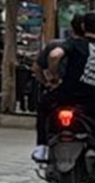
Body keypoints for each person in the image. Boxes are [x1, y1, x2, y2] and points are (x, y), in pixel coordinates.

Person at [41, 12, 95, 174]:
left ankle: (41, 147)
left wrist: (53, 75)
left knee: (43, 107)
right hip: (93, 98)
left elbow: (54, 55)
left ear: (83, 26)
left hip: (66, 95)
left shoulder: (74, 44)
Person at [32, 14, 84, 156]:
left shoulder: (55, 45)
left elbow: (37, 68)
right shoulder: (94, 48)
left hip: (58, 93)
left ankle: (41, 146)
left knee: (43, 110)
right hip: (85, 95)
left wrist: (49, 81)